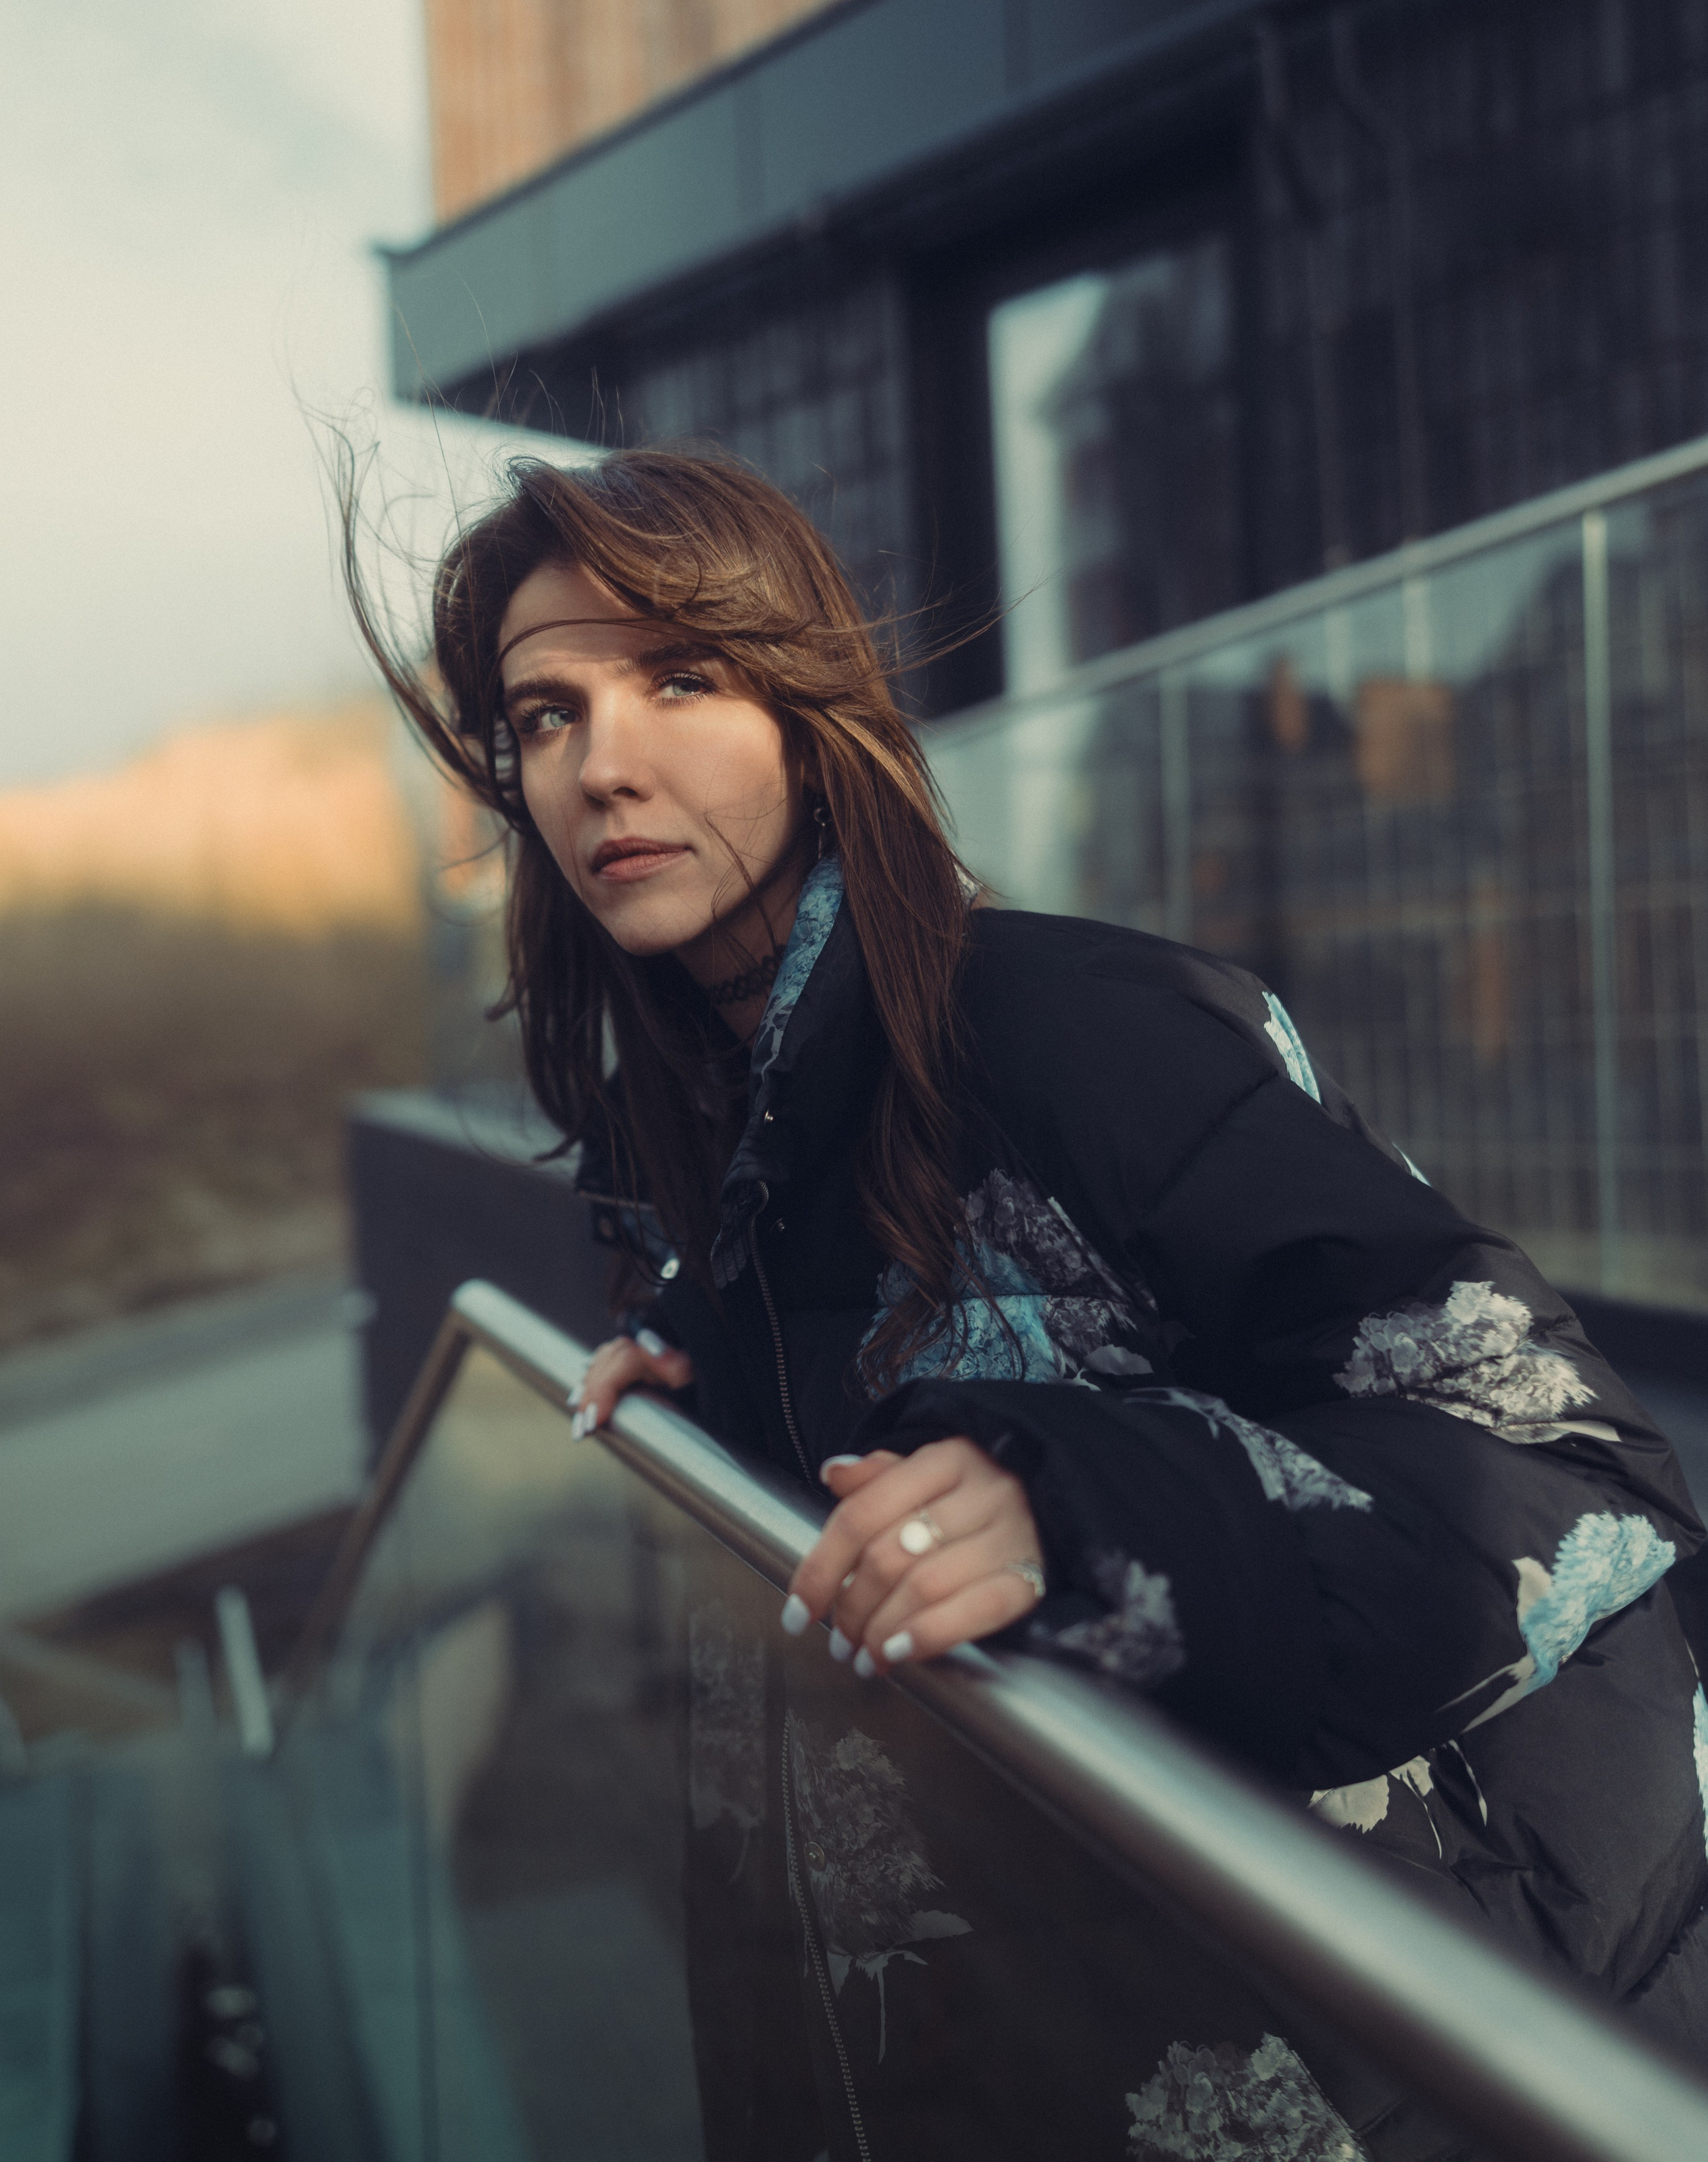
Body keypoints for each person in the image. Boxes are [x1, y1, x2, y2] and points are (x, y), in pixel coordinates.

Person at [352, 447, 1708, 2158]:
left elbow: (1573, 1462)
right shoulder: (705, 1129)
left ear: (804, 707)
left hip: (1392, 2052)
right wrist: (718, 1404)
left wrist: (1082, 1506)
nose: (598, 763)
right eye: (542, 715)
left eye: (677, 676)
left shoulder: (1074, 1028)